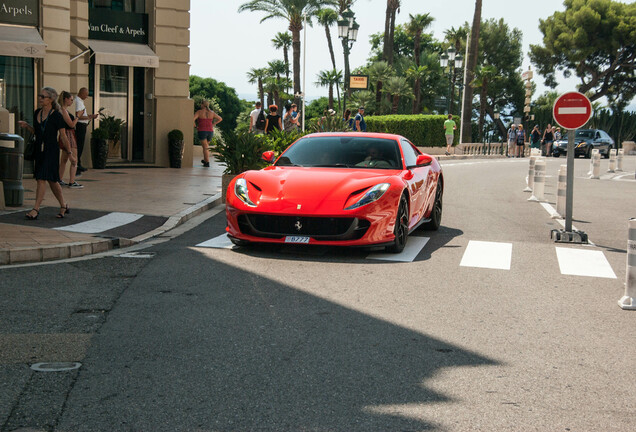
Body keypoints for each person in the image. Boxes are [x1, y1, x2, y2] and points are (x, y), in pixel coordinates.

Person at [18, 86, 74, 220]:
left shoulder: (56, 115)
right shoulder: (37, 112)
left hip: (51, 150)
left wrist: (70, 152)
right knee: (52, 180)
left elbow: (63, 136)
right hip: (39, 149)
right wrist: (27, 126)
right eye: (39, 96)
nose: (40, 98)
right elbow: (37, 132)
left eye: (43, 97)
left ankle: (35, 209)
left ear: (51, 99)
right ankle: (63, 205)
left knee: (41, 179)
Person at [57, 91, 82, 188]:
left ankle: (59, 179)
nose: (72, 102)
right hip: (69, 135)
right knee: (73, 160)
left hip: (66, 134)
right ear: (66, 99)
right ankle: (72, 181)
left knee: (64, 160)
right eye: (71, 100)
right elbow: (71, 124)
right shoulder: (63, 110)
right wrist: (77, 116)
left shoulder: (62, 110)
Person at [74, 87, 98, 173]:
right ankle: (76, 165)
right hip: (80, 125)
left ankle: (78, 163)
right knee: (79, 145)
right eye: (86, 95)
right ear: (82, 93)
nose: (87, 97)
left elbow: (81, 114)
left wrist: (89, 116)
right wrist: (90, 117)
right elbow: (79, 115)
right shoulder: (78, 101)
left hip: (82, 124)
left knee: (80, 145)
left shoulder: (80, 101)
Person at [194, 99, 222, 167]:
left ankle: (207, 162)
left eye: (201, 104)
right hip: (210, 132)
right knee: (206, 147)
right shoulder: (212, 112)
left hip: (202, 131)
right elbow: (220, 118)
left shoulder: (199, 112)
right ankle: (205, 160)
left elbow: (193, 119)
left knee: (205, 148)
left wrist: (195, 126)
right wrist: (213, 124)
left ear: (202, 105)